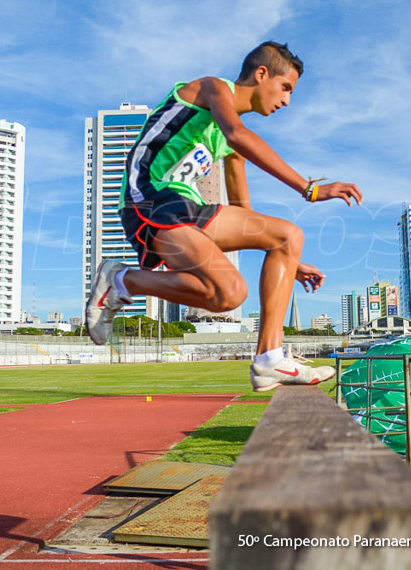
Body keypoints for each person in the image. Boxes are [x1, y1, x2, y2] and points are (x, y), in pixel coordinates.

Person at [86, 42, 362, 391]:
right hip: (150, 196)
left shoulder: (229, 143)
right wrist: (310, 190)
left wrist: (287, 259)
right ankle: (121, 280)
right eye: (286, 88)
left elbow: (247, 217)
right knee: (239, 281)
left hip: (186, 205)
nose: (287, 101)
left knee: (275, 249)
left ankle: (269, 360)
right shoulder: (213, 88)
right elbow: (238, 134)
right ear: (262, 74)